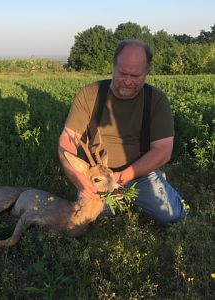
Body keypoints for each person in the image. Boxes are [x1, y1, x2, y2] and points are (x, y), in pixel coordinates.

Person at [58, 39, 185, 224]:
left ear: (147, 71)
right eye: (122, 73)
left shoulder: (156, 100)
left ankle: (157, 184)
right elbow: (67, 140)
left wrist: (120, 178)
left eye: (135, 76)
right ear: (113, 66)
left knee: (172, 216)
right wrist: (79, 179)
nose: (127, 81)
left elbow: (163, 150)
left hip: (140, 174)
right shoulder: (90, 94)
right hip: (98, 178)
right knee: (86, 219)